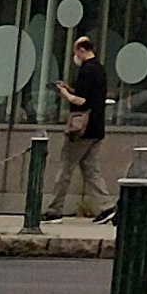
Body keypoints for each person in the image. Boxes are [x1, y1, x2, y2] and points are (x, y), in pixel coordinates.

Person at [58, 33, 111, 217]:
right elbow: (92, 96)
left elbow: (81, 100)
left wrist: (65, 94)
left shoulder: (86, 71)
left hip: (81, 129)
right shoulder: (100, 69)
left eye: (76, 52)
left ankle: (54, 208)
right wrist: (70, 89)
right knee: (91, 169)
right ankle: (106, 207)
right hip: (97, 127)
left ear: (81, 49)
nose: (75, 57)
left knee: (65, 168)